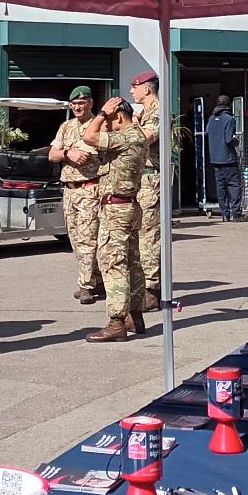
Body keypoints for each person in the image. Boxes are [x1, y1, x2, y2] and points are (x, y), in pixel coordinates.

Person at [81, 94, 147, 343]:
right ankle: (135, 315)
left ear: (118, 117)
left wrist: (100, 114)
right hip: (128, 206)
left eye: (110, 121)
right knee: (132, 262)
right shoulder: (138, 136)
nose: (107, 126)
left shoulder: (127, 137)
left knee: (113, 264)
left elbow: (89, 136)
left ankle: (117, 322)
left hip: (116, 209)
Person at [49, 86, 103, 304]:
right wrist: (66, 153)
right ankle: (97, 278)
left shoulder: (99, 126)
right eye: (74, 104)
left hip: (89, 187)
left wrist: (76, 153)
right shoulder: (66, 126)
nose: (77, 108)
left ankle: (86, 286)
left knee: (87, 238)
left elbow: (91, 153)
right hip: (69, 189)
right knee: (74, 238)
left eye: (81, 103)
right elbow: (52, 154)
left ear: (90, 103)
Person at [128, 72, 164, 312]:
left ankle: (153, 291)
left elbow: (146, 138)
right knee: (139, 235)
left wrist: (130, 126)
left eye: (135, 86)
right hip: (139, 179)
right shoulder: (142, 113)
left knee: (148, 236)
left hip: (151, 178)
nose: (132, 91)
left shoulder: (157, 111)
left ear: (147, 89)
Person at [205, 94, 244, 220]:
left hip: (215, 159)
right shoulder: (230, 119)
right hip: (228, 158)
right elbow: (228, 139)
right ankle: (236, 214)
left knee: (220, 187)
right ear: (229, 105)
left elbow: (207, 133)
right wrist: (236, 142)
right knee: (234, 186)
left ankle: (224, 214)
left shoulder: (211, 118)